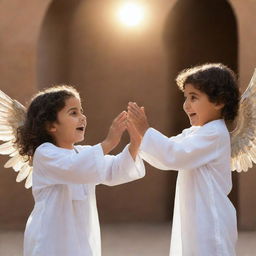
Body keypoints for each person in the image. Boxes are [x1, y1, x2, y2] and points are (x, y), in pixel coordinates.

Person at [17, 85, 145, 256]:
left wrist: (136, 141)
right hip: (49, 243)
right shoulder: (45, 153)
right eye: (73, 113)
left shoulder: (83, 153)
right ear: (51, 126)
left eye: (81, 111)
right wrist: (109, 142)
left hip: (80, 242)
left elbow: (114, 169)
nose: (82, 117)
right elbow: (75, 166)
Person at [128, 63, 240, 256]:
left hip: (210, 221)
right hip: (197, 218)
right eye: (186, 97)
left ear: (219, 101)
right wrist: (140, 137)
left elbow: (175, 155)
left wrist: (146, 131)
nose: (186, 105)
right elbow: (166, 154)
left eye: (194, 97)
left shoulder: (214, 133)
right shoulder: (197, 132)